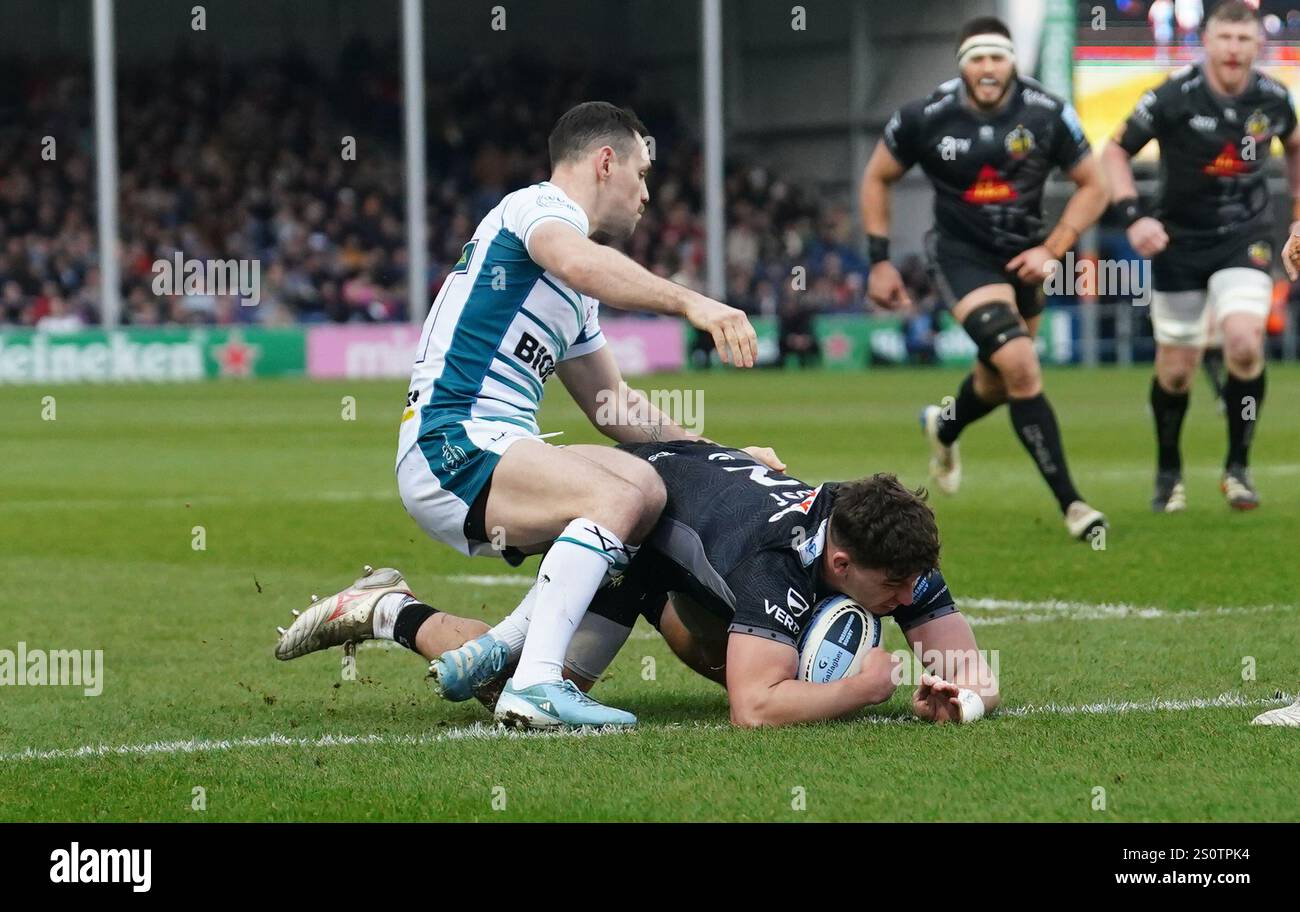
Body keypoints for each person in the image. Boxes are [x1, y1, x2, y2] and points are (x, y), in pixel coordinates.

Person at [276, 102, 761, 729]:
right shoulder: (536, 210)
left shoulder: (577, 287)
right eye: (641, 175)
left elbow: (615, 409)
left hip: (499, 446)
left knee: (647, 485)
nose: (647, 195)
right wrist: (696, 304)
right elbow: (581, 262)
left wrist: (724, 460)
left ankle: (402, 617)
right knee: (618, 498)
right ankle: (534, 684)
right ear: (605, 162)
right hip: (450, 442)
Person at [276, 441, 998, 728]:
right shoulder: (774, 563)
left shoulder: (880, 534)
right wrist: (855, 692)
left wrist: (960, 694)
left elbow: (970, 668)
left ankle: (433, 622)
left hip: (688, 493)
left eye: (915, 585)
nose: (910, 599)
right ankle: (386, 608)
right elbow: (753, 709)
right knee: (520, 695)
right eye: (897, 587)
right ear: (841, 566)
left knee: (771, 653)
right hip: (626, 522)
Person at [860, 15, 1110, 540]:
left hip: (1028, 258)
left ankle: (944, 425)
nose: (989, 67)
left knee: (997, 383)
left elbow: (1095, 185)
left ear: (1013, 62)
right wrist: (880, 259)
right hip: (961, 256)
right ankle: (1075, 506)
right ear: (963, 66)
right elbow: (877, 176)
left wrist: (1053, 249)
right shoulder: (925, 116)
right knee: (1021, 364)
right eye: (977, 58)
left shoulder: (1048, 113)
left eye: (998, 57)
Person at [1103, 0, 1296, 511]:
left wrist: (1297, 219)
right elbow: (1115, 151)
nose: (1234, 49)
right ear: (1206, 41)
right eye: (1225, 38)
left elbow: (1296, 146)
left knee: (1244, 343)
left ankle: (1238, 469)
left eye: (1244, 39)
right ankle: (1169, 471)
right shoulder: (1171, 97)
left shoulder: (1274, 98)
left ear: (1259, 45)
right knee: (1175, 371)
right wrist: (1133, 216)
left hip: (1245, 236)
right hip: (1178, 240)